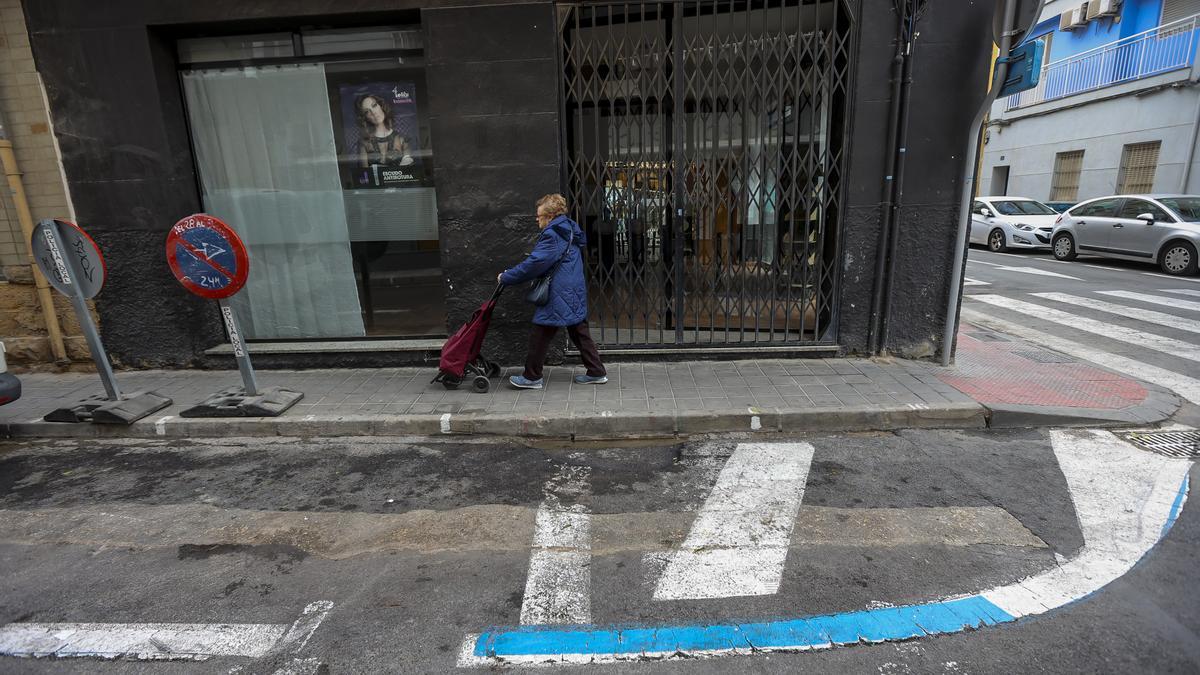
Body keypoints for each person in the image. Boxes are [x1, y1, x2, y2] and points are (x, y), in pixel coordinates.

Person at [498, 194, 607, 390]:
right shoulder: (569, 229)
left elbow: (535, 264)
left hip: (558, 293)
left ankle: (532, 377)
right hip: (573, 289)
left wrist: (507, 277)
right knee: (579, 331)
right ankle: (596, 371)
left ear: (550, 216)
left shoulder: (553, 234)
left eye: (539, 215)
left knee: (540, 334)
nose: (536, 219)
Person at [354, 94, 411, 169]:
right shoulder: (364, 143)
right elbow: (364, 175)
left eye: (374, 105)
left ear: (381, 106)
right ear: (365, 118)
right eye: (367, 112)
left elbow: (409, 170)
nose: (373, 112)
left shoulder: (402, 139)